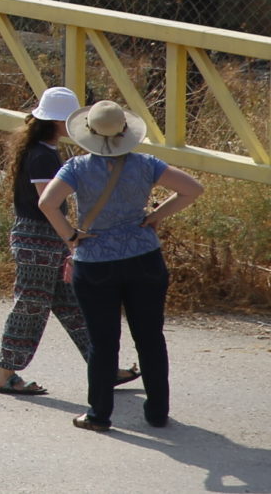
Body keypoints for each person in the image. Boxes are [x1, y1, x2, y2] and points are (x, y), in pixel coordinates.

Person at [39, 99, 205, 432]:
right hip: (143, 257)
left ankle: (99, 414)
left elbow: (47, 203)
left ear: (88, 133)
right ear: (125, 131)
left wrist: (72, 235)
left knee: (103, 341)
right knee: (150, 337)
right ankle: (157, 411)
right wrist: (155, 216)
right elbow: (192, 189)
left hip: (96, 260)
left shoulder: (77, 168)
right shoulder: (146, 164)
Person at [0, 87, 109, 397]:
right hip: (39, 239)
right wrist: (70, 236)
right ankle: (6, 373)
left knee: (74, 306)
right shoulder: (42, 156)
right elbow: (49, 203)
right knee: (31, 307)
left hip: (46, 239)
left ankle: (104, 367)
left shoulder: (43, 150)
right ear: (58, 122)